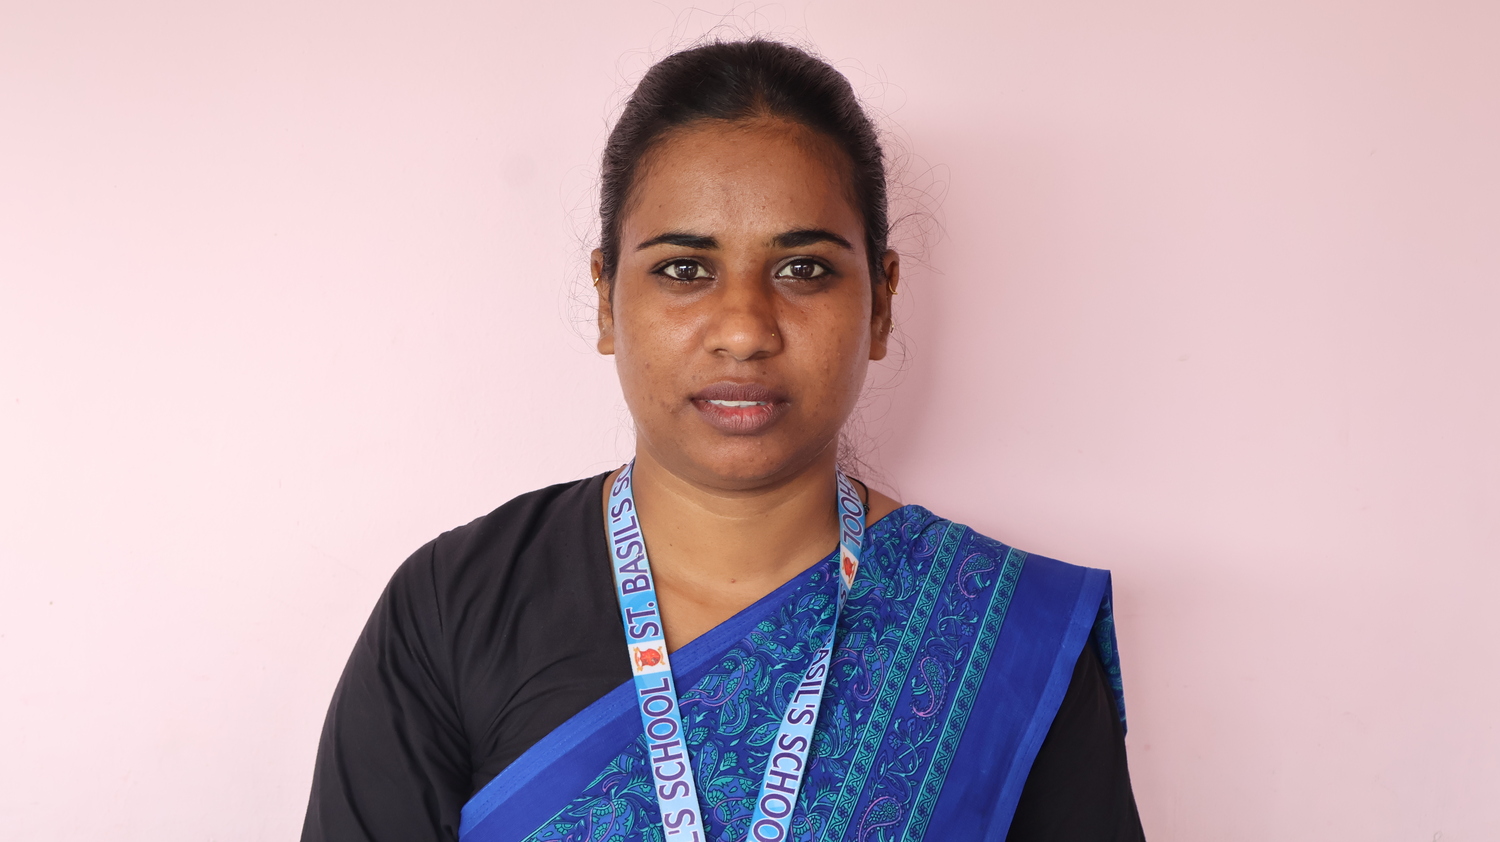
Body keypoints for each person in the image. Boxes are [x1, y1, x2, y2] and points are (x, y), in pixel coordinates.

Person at [301, 39, 1145, 842]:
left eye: (803, 268)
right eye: (684, 269)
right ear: (607, 297)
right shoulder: (455, 609)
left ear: (882, 303)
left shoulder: (1006, 636)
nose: (744, 329)